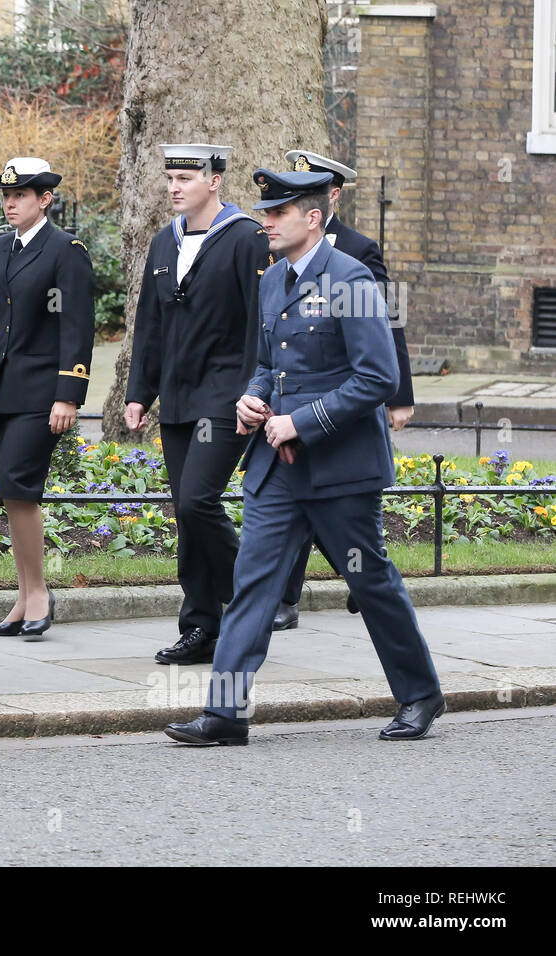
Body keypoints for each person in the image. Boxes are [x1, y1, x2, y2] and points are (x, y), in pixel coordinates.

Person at [164, 169, 443, 747]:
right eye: (266, 212)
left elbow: (378, 377)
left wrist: (302, 421)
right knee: (253, 582)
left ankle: (420, 695)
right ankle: (225, 713)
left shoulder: (352, 278)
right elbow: (269, 362)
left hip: (340, 470)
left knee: (372, 584)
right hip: (277, 470)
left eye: (276, 213)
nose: (264, 222)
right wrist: (255, 399)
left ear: (312, 218)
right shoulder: (272, 281)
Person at [123, 144, 270, 665]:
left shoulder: (247, 238)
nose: (175, 186)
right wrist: (139, 393)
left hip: (226, 396)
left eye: (186, 177)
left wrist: (257, 391)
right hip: (179, 397)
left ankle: (257, 593)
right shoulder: (165, 241)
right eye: (170, 177)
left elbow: (260, 321)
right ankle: (201, 626)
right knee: (187, 515)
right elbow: (151, 325)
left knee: (196, 502)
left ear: (216, 182)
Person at [0, 157, 94, 639]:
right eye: (6, 196)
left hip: (43, 393)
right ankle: (25, 593)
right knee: (7, 490)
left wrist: (69, 395)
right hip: (5, 392)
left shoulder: (65, 250)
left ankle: (37, 595)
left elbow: (77, 326)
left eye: (21, 196)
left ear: (44, 199)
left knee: (19, 486)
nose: (10, 203)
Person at [271, 149, 416, 631]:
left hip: (340, 418)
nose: (273, 216)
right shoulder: (279, 254)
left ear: (330, 197)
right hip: (287, 422)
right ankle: (281, 600)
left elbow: (385, 327)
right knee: (267, 552)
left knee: (359, 549)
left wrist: (401, 396)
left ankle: (363, 584)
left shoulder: (356, 251)